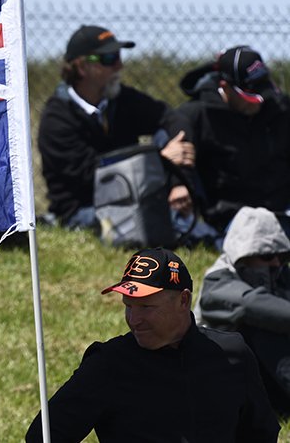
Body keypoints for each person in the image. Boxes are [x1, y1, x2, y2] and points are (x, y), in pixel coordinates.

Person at [25, 247, 279, 442]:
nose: (134, 320)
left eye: (146, 307)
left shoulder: (232, 354)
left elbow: (261, 433)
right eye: (128, 307)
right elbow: (44, 436)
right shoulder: (109, 364)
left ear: (183, 301)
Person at [38, 25, 195, 230]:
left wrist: (178, 183)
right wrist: (160, 159)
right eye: (109, 59)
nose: (119, 66)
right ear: (82, 67)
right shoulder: (56, 119)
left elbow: (174, 119)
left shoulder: (121, 99)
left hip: (136, 198)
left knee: (166, 133)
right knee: (165, 225)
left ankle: (183, 213)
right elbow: (96, 177)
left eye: (119, 57)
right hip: (84, 209)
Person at [178, 45, 290, 235]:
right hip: (233, 218)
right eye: (251, 97)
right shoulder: (198, 114)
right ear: (225, 87)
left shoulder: (280, 107)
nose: (261, 101)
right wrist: (178, 185)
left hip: (283, 210)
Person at [195, 206, 290, 415]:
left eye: (281, 256)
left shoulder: (279, 274)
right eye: (267, 256)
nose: (276, 263)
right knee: (262, 324)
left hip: (259, 382)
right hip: (220, 383)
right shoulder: (217, 282)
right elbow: (252, 304)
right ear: (243, 256)